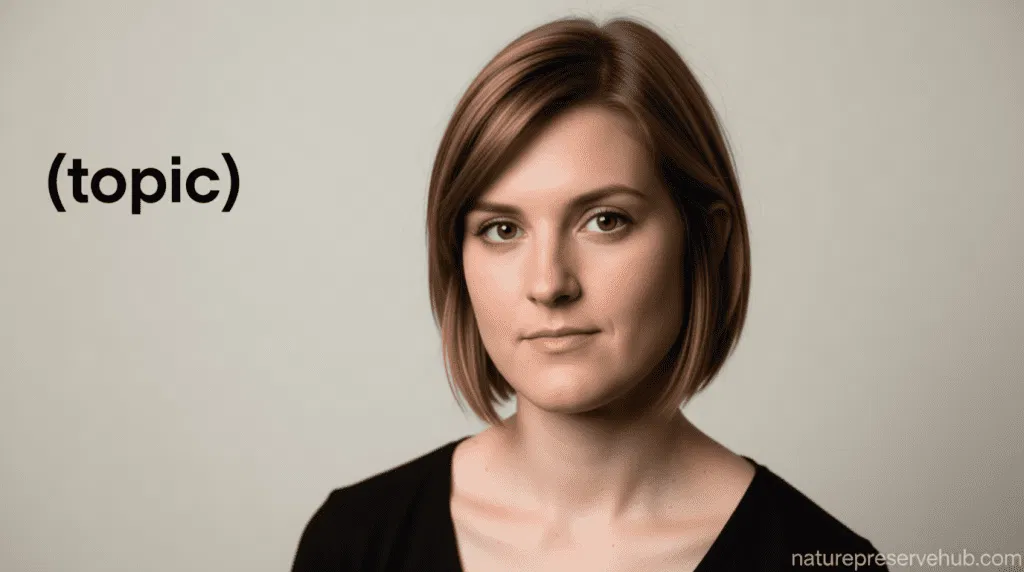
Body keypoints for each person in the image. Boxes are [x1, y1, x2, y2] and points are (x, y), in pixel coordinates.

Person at [291, 15, 888, 572]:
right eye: (502, 230)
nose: (549, 284)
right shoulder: (355, 542)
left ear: (705, 238)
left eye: (605, 221)